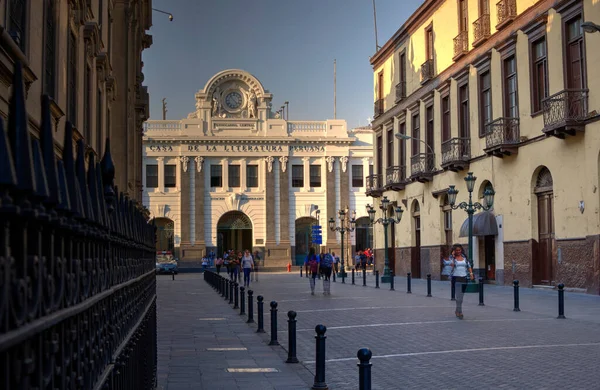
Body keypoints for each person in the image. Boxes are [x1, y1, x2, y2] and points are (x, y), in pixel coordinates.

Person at [449, 244, 474, 319]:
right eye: (456, 250)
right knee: (459, 297)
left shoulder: (464, 258)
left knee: (461, 297)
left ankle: (457, 310)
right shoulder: (452, 258)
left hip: (464, 278)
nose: (458, 251)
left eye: (459, 250)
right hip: (456, 278)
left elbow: (468, 266)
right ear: (454, 251)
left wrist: (471, 273)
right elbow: (452, 266)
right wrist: (453, 257)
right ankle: (460, 312)